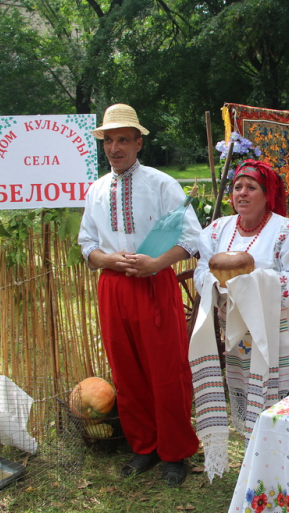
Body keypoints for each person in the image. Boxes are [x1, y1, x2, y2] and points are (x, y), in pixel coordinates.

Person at [77, 103, 202, 486]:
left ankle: (176, 451)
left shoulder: (162, 184)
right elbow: (86, 244)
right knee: (126, 369)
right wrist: (108, 258)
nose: (115, 148)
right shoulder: (96, 189)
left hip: (153, 282)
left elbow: (193, 239)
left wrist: (157, 264)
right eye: (109, 140)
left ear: (138, 143)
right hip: (113, 287)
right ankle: (144, 445)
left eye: (123, 140)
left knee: (166, 369)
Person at [191, 159, 289, 478]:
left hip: (281, 335)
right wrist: (218, 284)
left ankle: (286, 466)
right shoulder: (217, 230)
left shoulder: (288, 232)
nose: (241, 193)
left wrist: (254, 284)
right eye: (237, 187)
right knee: (246, 390)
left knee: (284, 402)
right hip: (236, 333)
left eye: (251, 187)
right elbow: (202, 270)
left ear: (267, 194)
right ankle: (254, 463)